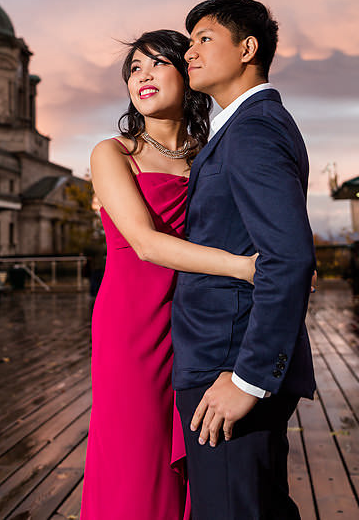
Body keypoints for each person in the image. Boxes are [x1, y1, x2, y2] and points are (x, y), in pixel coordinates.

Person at [83, 30, 258, 520]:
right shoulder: (113, 153)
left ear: (189, 72)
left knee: (197, 456)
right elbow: (144, 242)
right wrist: (245, 268)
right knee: (138, 455)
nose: (143, 76)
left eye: (157, 64)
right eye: (134, 69)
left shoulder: (212, 155)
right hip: (133, 323)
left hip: (198, 321)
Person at [173, 0, 316, 519]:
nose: (189, 52)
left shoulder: (253, 128)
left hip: (228, 362)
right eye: (189, 42)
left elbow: (288, 257)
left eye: (204, 39)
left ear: (247, 48)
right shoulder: (241, 127)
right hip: (223, 356)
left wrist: (249, 378)